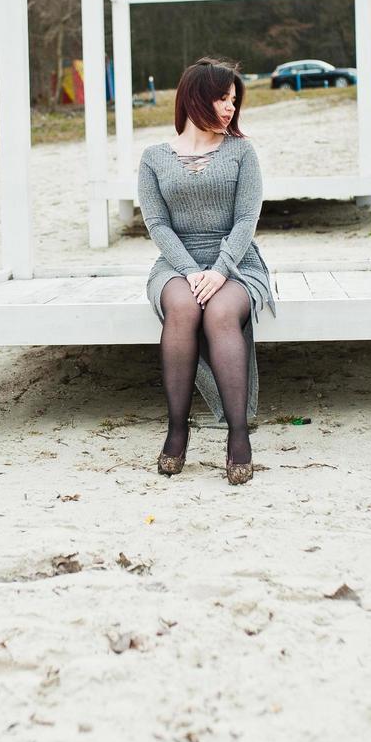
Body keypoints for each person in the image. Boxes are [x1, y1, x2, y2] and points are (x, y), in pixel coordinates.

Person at [136, 57, 275, 486]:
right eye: (221, 98)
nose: (230, 107)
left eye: (233, 100)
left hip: (236, 263)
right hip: (177, 264)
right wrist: (191, 269)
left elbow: (245, 219)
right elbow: (157, 223)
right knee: (183, 309)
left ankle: (238, 436)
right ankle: (178, 429)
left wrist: (219, 270)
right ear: (196, 97)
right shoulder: (154, 158)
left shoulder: (241, 152)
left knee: (218, 313)